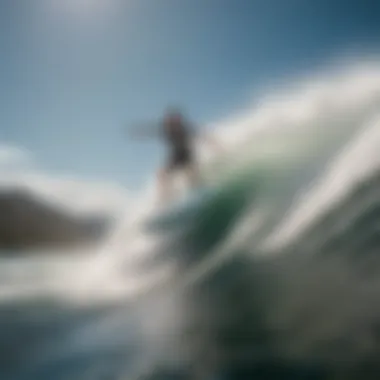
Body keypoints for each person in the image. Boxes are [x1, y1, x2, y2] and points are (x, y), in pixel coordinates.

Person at [130, 107, 219, 203]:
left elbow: (201, 135)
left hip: (186, 155)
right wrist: (138, 132)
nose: (173, 124)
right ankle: (165, 197)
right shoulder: (165, 129)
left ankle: (205, 191)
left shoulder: (185, 128)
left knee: (193, 179)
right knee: (162, 174)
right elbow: (150, 131)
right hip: (175, 157)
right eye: (171, 121)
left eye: (176, 121)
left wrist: (213, 144)